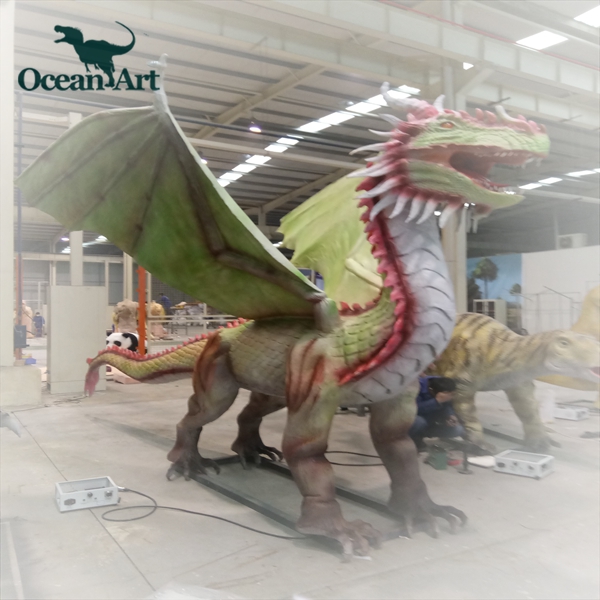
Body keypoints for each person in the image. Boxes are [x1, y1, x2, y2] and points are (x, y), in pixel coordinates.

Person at [409, 376, 464, 451]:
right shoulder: (416, 386)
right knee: (419, 422)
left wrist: (450, 415)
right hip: (413, 422)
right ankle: (411, 440)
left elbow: (448, 405)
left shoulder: (443, 384)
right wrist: (436, 401)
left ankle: (420, 437)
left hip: (431, 424)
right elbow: (412, 409)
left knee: (458, 429)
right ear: (431, 391)